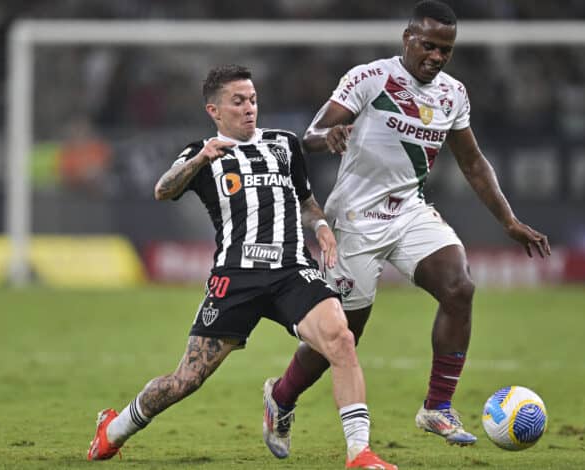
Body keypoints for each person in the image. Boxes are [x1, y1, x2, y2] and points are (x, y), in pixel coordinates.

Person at [261, 0, 552, 452]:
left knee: (459, 287)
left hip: (409, 211)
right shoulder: (369, 78)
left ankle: (437, 407)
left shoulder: (453, 94)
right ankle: (280, 397)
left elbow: (473, 163)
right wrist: (329, 137)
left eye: (446, 50)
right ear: (408, 39)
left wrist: (508, 220)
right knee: (344, 335)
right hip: (355, 220)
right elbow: (312, 134)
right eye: (430, 46)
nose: (436, 57)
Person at [87, 64, 397, 470]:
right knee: (186, 379)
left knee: (340, 338)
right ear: (214, 110)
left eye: (252, 99)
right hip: (236, 278)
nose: (249, 108)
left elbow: (305, 200)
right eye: (238, 101)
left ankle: (359, 453)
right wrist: (200, 159)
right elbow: (163, 190)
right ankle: (113, 430)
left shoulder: (285, 144)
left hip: (291, 271)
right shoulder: (203, 152)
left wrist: (321, 226)